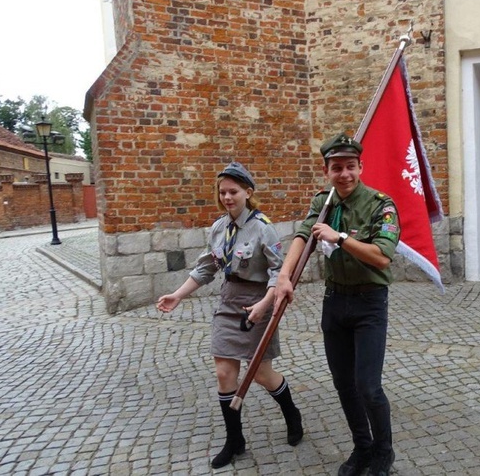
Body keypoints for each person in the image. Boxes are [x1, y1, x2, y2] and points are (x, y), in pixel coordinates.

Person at [156, 161, 303, 469]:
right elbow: (206, 269)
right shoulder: (219, 228)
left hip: (259, 301)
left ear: (248, 193)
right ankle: (235, 440)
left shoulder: (263, 227)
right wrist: (177, 295)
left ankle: (292, 413)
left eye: (233, 191)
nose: (227, 197)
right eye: (222, 192)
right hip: (229, 300)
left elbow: (280, 272)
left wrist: (265, 304)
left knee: (261, 374)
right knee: (224, 373)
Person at [274, 133, 400, 476]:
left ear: (361, 167)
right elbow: (302, 236)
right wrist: (284, 277)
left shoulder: (380, 204)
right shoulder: (323, 203)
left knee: (368, 386)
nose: (344, 174)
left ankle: (384, 453)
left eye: (349, 167)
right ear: (326, 171)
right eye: (336, 168)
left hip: (370, 303)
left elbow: (382, 258)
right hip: (335, 303)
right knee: (343, 383)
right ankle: (362, 447)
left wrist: (340, 238)